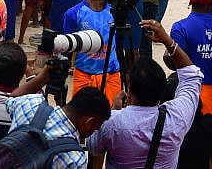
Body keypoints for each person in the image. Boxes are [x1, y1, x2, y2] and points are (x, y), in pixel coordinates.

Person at [86, 19, 202, 169]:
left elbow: (94, 154)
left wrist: (113, 111)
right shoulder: (177, 117)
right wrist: (167, 41)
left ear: (129, 90)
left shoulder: (110, 123)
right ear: (162, 92)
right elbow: (192, 76)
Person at [2, 86, 111, 169]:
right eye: (95, 128)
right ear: (89, 122)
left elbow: (12, 98)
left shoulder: (31, 103)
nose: (93, 132)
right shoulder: (75, 159)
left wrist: (44, 76)